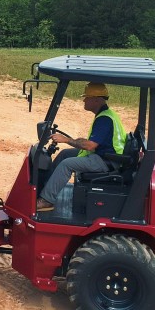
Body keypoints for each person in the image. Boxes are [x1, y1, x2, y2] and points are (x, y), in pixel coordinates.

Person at [36, 82, 126, 212]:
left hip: (108, 161)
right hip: (104, 155)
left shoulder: (104, 119)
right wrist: (69, 141)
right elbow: (92, 142)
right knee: (64, 154)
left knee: (67, 164)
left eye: (87, 97)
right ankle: (46, 188)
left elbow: (89, 145)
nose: (84, 100)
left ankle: (47, 200)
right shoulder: (105, 114)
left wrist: (66, 140)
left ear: (96, 99)